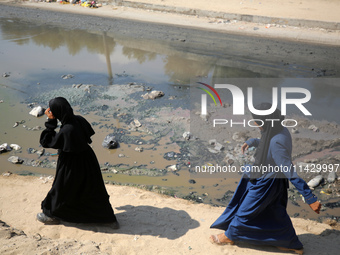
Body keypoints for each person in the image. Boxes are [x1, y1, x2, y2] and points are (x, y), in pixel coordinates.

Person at [209, 103, 321, 255]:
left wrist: (310, 197)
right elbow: (265, 142)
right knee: (275, 212)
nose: (255, 124)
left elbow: (289, 170)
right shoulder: (277, 129)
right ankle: (290, 243)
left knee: (245, 211)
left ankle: (230, 236)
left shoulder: (276, 141)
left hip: (268, 182)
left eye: (257, 122)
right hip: (270, 178)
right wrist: (252, 141)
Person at [37, 97, 119, 228]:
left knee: (60, 189)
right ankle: (108, 219)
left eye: (52, 110)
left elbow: (46, 141)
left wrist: (51, 122)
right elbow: (86, 136)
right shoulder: (79, 120)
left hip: (71, 164)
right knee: (92, 189)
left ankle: (51, 215)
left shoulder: (67, 130)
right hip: (87, 160)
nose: (50, 111)